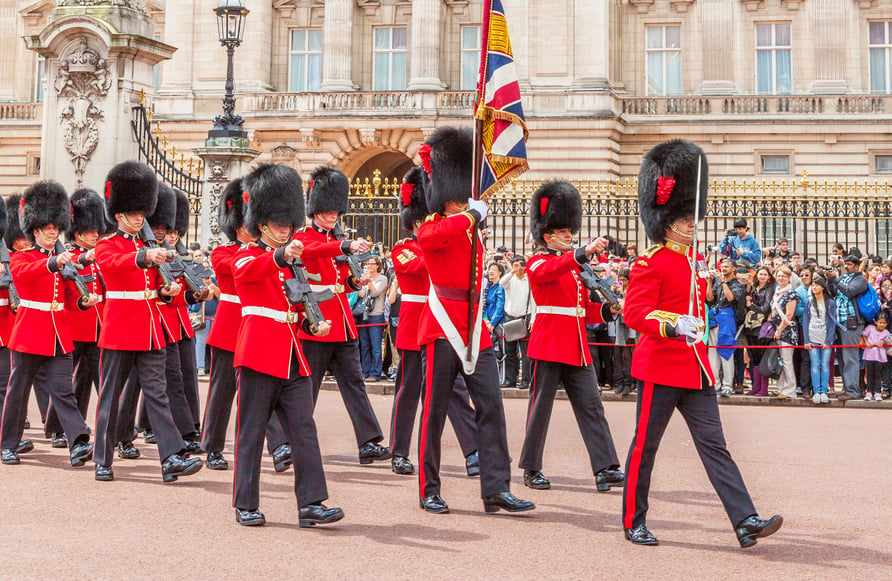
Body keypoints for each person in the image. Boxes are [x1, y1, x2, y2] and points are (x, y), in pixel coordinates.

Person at [622, 138, 782, 547]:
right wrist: (672, 326)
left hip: (695, 370)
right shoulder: (650, 261)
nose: (691, 222)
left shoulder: (693, 264)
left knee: (716, 447)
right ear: (666, 219)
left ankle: (745, 519)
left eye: (691, 216)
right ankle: (632, 521)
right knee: (646, 447)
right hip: (660, 366)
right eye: (682, 217)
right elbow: (635, 314)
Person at [415, 126, 533, 515]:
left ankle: (496, 488)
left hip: (475, 328)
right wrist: (469, 215)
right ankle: (429, 489)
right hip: (442, 326)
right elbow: (432, 240)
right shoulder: (435, 225)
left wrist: (470, 217)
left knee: (492, 407)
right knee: (433, 412)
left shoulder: (471, 229)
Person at [231, 163, 342, 527]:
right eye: (279, 224)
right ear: (262, 224)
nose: (285, 229)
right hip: (259, 353)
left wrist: (316, 322)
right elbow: (250, 272)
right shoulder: (248, 255)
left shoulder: (291, 261)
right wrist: (281, 255)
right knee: (251, 430)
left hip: (292, 355)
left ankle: (311, 503)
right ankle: (245, 503)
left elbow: (298, 299)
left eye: (288, 223)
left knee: (303, 430)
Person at [92, 161, 202, 483]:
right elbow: (112, 265)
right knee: (110, 397)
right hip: (121, 331)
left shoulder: (151, 247)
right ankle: (103, 458)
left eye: (142, 211)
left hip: (152, 331)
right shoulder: (107, 244)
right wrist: (143, 258)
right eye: (133, 212)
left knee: (158, 394)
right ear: (118, 214)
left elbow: (164, 292)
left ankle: (170, 458)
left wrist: (185, 294)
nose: (140, 218)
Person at [519, 180, 624, 493]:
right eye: (564, 232)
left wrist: (609, 312)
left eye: (570, 231)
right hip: (549, 344)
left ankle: (605, 468)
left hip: (577, 347)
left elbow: (583, 310)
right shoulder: (539, 261)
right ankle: (531, 467)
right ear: (548, 235)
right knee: (540, 410)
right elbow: (546, 274)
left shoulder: (575, 269)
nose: (569, 235)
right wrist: (582, 253)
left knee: (593, 408)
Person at [295, 166, 390, 464]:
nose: (333, 213)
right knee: (306, 388)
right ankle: (290, 442)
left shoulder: (337, 236)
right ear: (316, 209)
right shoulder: (304, 236)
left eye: (336, 209)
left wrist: (354, 281)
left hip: (343, 321)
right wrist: (344, 244)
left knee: (354, 385)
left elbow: (341, 275)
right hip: (317, 320)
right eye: (327, 208)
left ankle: (369, 442)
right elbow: (312, 253)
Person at [388, 166, 479, 477]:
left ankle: (473, 451)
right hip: (416, 323)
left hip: (445, 326)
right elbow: (420, 268)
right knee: (409, 390)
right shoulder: (402, 248)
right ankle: (399, 451)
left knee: (454, 391)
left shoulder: (445, 238)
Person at [200, 177, 292, 472]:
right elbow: (238, 269)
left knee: (266, 392)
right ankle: (212, 446)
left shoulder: (267, 254)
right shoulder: (223, 253)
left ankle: (278, 446)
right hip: (230, 328)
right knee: (222, 393)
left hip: (258, 328)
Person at [0, 181, 95, 467]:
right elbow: (24, 275)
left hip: (58, 334)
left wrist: (82, 301)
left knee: (63, 391)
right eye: (48, 227)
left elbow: (67, 297)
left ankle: (78, 442)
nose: (53, 231)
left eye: (56, 227)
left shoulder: (61, 259)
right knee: (18, 392)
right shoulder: (21, 257)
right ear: (36, 229)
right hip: (29, 333)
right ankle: (8, 444)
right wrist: (54, 264)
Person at [42, 188, 108, 448]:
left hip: (96, 327)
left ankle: (108, 428)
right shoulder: (69, 254)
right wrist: (84, 257)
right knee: (65, 384)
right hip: (72, 326)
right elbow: (72, 265)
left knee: (94, 380)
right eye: (91, 231)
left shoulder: (100, 254)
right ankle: (57, 429)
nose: (95, 234)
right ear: (78, 232)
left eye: (96, 230)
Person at [706, 258, 745, 397]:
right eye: (722, 266)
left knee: (726, 353)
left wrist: (722, 281)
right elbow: (710, 299)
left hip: (728, 321)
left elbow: (730, 298)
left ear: (733, 269)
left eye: (726, 266)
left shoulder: (738, 285)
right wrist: (710, 282)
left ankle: (727, 385)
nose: (723, 268)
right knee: (712, 355)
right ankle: (715, 384)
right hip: (714, 320)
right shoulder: (717, 283)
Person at [835, 255, 869, 401]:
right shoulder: (843, 278)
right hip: (838, 322)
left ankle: (853, 390)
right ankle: (848, 387)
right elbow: (832, 292)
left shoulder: (860, 279)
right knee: (842, 358)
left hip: (851, 322)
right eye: (845, 264)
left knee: (851, 357)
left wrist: (836, 280)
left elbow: (849, 291)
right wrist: (831, 279)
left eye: (849, 264)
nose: (846, 266)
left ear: (856, 266)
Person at [802, 275, 837, 404]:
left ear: (823, 287)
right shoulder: (808, 301)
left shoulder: (830, 302)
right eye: (813, 285)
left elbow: (833, 322)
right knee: (815, 364)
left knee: (825, 364)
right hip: (812, 335)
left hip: (825, 336)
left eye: (816, 285)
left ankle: (824, 391)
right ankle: (816, 391)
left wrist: (828, 340)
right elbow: (805, 321)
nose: (814, 287)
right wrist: (806, 339)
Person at [500, 255, 533, 389]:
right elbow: (501, 283)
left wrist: (534, 318)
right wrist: (511, 271)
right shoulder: (510, 280)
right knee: (509, 352)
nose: (519, 267)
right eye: (516, 264)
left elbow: (534, 301)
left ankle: (526, 380)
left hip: (525, 317)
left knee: (526, 353)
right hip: (510, 317)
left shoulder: (529, 281)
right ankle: (510, 380)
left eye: (521, 264)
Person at [744, 267, 775, 396]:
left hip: (761, 325)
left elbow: (765, 308)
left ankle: (763, 388)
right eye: (760, 274)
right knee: (753, 357)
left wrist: (750, 305)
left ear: (768, 277)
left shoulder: (769, 290)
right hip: (749, 324)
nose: (762, 276)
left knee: (761, 355)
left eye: (764, 274)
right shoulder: (753, 288)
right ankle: (755, 387)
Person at [770, 266, 799, 400]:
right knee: (781, 360)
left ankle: (789, 390)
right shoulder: (777, 291)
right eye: (779, 275)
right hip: (777, 329)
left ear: (789, 278)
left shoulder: (791, 293)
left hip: (787, 331)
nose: (781, 278)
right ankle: (780, 387)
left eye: (784, 276)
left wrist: (780, 329)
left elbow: (789, 314)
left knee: (787, 360)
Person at [357, 254, 387, 381]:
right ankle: (365, 370)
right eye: (367, 263)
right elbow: (358, 291)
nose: (369, 266)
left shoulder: (382, 279)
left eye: (372, 263)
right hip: (363, 314)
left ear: (377, 266)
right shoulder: (363, 278)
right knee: (364, 345)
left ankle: (375, 372)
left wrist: (369, 280)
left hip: (376, 315)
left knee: (375, 346)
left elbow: (375, 292)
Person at [861, 312, 890, 401]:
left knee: (878, 375)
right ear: (876, 322)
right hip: (869, 355)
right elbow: (864, 335)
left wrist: (883, 343)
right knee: (869, 374)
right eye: (880, 322)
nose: (882, 325)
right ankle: (869, 392)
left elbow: (886, 341)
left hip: (880, 357)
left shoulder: (886, 333)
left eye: (884, 323)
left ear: (887, 324)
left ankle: (877, 392)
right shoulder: (870, 328)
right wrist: (866, 342)